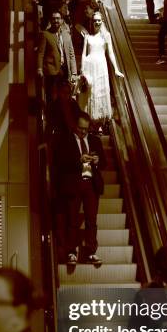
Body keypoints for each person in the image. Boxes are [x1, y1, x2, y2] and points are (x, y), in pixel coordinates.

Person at [52, 112, 106, 266]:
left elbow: (104, 164)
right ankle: (71, 251)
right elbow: (59, 163)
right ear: (75, 126)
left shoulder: (95, 140)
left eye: (86, 129)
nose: (83, 132)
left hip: (91, 184)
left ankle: (91, 251)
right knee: (72, 220)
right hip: (73, 184)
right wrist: (79, 160)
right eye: (81, 128)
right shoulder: (65, 141)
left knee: (91, 220)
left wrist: (97, 161)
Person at [79, 11, 124, 129]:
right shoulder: (87, 37)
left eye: (99, 20)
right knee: (90, 93)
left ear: (102, 21)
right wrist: (82, 70)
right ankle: (89, 122)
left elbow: (111, 53)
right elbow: (84, 54)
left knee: (99, 92)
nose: (97, 22)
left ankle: (98, 123)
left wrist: (116, 69)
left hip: (100, 67)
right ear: (92, 22)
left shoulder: (106, 36)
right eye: (95, 21)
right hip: (89, 67)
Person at [37, 9, 77, 108]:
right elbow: (40, 53)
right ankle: (51, 120)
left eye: (58, 18)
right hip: (51, 71)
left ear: (62, 20)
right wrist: (39, 68)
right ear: (50, 20)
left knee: (63, 97)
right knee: (51, 98)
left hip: (64, 71)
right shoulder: (45, 34)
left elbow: (71, 54)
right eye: (54, 19)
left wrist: (74, 72)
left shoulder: (67, 35)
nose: (56, 21)